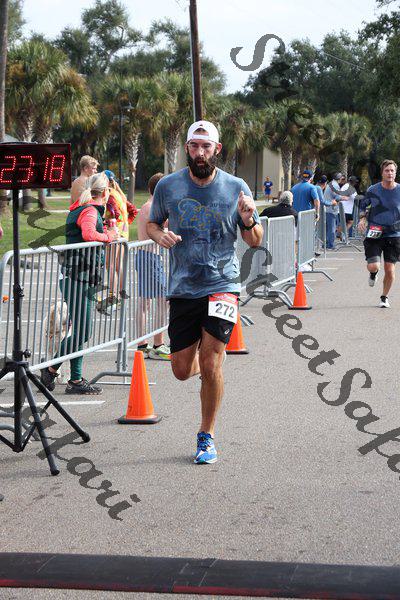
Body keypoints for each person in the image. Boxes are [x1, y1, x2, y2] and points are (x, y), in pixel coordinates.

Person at [147, 120, 263, 464]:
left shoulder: (236, 187)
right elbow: (152, 223)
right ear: (187, 148)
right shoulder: (168, 186)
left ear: (217, 150)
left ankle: (206, 435)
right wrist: (159, 235)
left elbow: (254, 241)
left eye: (206, 147)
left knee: (211, 362)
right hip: (184, 287)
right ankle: (209, 362)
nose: (200, 153)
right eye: (195, 146)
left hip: (222, 284)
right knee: (182, 369)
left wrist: (248, 219)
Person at [40, 172, 119, 394]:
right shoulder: (89, 210)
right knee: (83, 332)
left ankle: (75, 380)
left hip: (81, 277)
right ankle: (51, 369)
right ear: (105, 192)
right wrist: (110, 236)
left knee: (79, 331)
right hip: (76, 278)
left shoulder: (84, 208)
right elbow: (89, 233)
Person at [136, 172, 171, 360]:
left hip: (149, 257)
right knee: (161, 300)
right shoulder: (150, 207)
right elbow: (163, 228)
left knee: (147, 302)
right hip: (149, 257)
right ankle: (158, 343)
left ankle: (143, 344)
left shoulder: (149, 207)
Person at [358, 159, 400, 308]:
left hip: (394, 234)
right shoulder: (373, 190)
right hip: (375, 232)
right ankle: (373, 274)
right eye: (387, 170)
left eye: (392, 170)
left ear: (395, 173)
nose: (390, 173)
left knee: (390, 270)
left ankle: (384, 297)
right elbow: (363, 206)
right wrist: (362, 218)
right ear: (382, 173)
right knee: (373, 266)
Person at [96, 169, 138, 314]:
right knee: (118, 265)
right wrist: (125, 225)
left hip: (115, 234)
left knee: (111, 265)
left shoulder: (110, 195)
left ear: (106, 182)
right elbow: (133, 211)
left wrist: (107, 225)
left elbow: (114, 214)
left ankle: (113, 297)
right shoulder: (119, 194)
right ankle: (120, 296)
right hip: (123, 234)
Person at [324, 173, 343, 249]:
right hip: (332, 209)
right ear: (339, 179)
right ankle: (330, 244)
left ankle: (326, 243)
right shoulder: (335, 185)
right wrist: (342, 197)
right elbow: (337, 197)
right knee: (332, 228)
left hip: (327, 209)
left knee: (328, 228)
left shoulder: (330, 184)